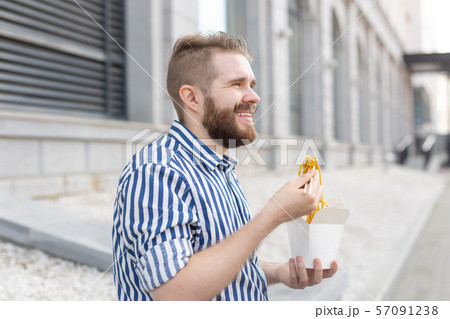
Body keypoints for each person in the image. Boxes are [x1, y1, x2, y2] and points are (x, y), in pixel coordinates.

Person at [112, 32, 338, 301]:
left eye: (252, 84)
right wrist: (273, 215)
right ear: (192, 98)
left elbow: (211, 259)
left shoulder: (220, 168)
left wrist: (277, 272)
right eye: (237, 84)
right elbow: (175, 291)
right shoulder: (156, 172)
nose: (254, 97)